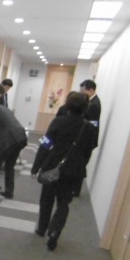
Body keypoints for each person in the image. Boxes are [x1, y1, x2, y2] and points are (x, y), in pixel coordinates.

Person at [31, 91, 98, 251]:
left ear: (67, 105)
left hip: (53, 165)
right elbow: (88, 150)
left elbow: (45, 144)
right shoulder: (89, 127)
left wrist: (36, 166)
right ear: (85, 107)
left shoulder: (58, 121)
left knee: (46, 199)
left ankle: (42, 228)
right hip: (74, 170)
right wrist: (81, 164)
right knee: (64, 202)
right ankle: (55, 231)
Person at [73, 79, 101, 196]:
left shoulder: (94, 104)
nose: (81, 93)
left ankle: (75, 190)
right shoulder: (92, 102)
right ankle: (74, 188)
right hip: (86, 139)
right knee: (78, 164)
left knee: (80, 165)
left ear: (90, 90)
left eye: (83, 91)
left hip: (86, 141)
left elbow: (91, 125)